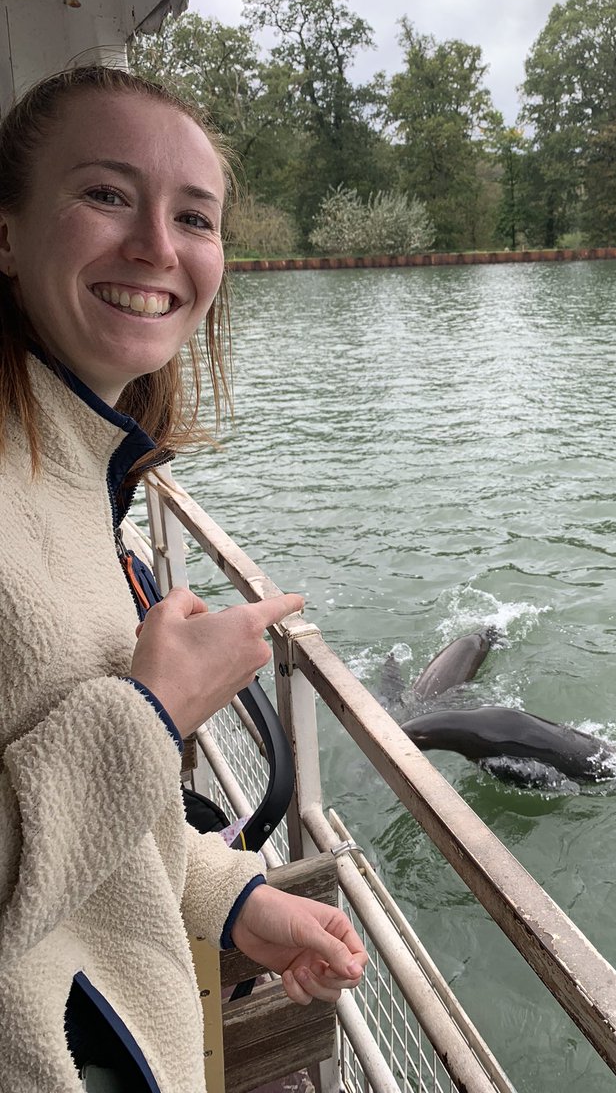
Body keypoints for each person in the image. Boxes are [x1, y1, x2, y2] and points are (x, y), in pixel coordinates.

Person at [0, 65, 367, 1092]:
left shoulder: (76, 472)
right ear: (5, 232)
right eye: (106, 193)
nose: (158, 247)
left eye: (194, 216)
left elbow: (85, 838)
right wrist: (155, 709)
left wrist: (228, 897)